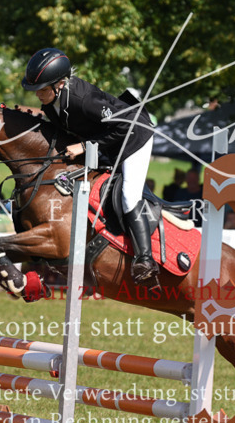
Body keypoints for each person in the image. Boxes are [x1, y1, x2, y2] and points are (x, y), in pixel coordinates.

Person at [21, 47, 159, 288]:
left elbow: (125, 126)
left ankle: (145, 260)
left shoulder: (83, 100)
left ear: (60, 84)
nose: (38, 95)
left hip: (135, 137)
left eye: (42, 90)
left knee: (129, 196)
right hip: (106, 143)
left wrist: (84, 146)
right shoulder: (52, 101)